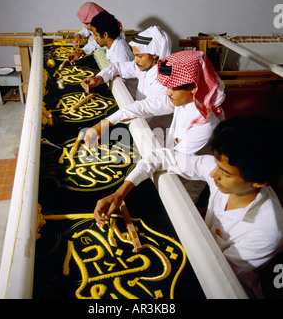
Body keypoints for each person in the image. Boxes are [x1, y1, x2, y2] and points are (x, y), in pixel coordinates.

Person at [94, 113, 283, 298]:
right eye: (217, 165)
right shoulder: (223, 171)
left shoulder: (267, 231)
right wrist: (120, 193)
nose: (213, 175)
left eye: (225, 173)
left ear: (258, 182)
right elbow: (159, 157)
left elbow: (216, 272)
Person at [83, 50, 225, 201]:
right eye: (167, 87)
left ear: (194, 88)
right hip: (167, 164)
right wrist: (103, 124)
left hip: (184, 184)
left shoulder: (205, 125)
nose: (168, 93)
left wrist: (121, 191)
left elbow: (166, 158)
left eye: (173, 88)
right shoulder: (183, 100)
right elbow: (143, 106)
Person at [80, 25, 172, 101]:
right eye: (135, 55)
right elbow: (117, 66)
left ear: (154, 55)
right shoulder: (144, 66)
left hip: (150, 122)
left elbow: (147, 108)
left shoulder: (165, 82)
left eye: (139, 56)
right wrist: (98, 78)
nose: (135, 60)